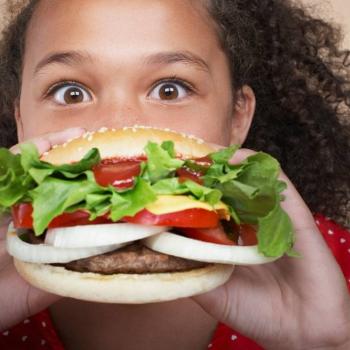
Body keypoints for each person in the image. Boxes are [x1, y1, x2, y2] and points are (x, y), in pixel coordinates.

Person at [0, 0, 349, 349]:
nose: (120, 123)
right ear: (21, 122)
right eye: (70, 93)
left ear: (237, 118)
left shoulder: (329, 277)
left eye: (170, 89)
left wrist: (327, 343)